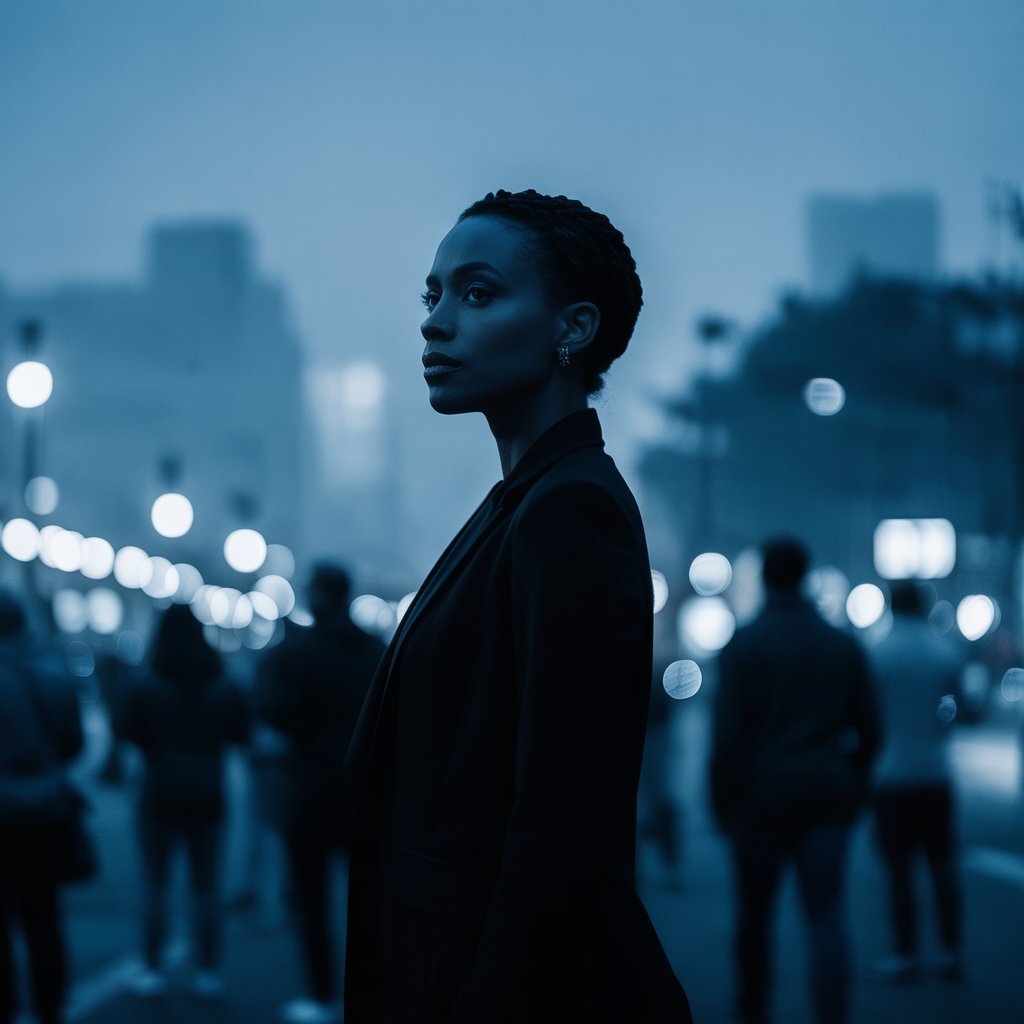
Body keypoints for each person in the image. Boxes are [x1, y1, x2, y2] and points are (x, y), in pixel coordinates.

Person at [343, 188, 693, 1023]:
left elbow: (565, 823)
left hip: (494, 985)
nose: (435, 322)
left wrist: (484, 1002)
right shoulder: (524, 501)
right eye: (433, 296)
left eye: (478, 293)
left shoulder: (571, 511)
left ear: (574, 328)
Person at [709, 537, 881, 1024]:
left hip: (760, 796)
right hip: (827, 792)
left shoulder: (744, 645)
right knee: (826, 913)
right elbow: (871, 728)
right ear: (805, 576)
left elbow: (727, 737)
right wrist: (854, 782)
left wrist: (721, 801)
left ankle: (754, 1007)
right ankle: (832, 1014)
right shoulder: (841, 645)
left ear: (764, 577)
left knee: (754, 912)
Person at [253, 562, 386, 1024]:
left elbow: (271, 709)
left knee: (311, 900)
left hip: (308, 787)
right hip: (364, 791)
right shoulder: (374, 650)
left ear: (318, 595)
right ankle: (374, 994)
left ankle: (322, 995)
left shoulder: (298, 654)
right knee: (371, 900)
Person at [116, 602, 249, 1000]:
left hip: (159, 789)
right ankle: (208, 972)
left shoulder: (146, 684)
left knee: (156, 884)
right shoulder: (224, 685)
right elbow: (241, 734)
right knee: (207, 886)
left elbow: (127, 732)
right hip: (208, 790)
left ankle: (153, 968)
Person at [866, 579, 966, 983]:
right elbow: (954, 707)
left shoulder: (879, 652)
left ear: (891, 604)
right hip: (935, 772)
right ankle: (950, 951)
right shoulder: (945, 650)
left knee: (899, 868)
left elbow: (869, 713)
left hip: (891, 773)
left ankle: (905, 952)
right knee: (942, 863)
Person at [0, 591, 84, 1024]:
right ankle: (52, 1008)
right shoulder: (53, 670)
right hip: (46, 806)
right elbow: (74, 743)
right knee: (44, 914)